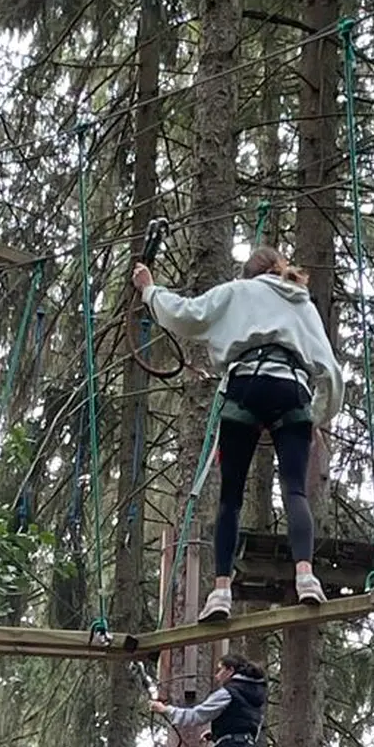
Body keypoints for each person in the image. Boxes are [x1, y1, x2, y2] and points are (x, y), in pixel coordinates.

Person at [131, 247, 344, 623]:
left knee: (230, 496)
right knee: (294, 490)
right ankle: (306, 576)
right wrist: (316, 415)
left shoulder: (237, 292)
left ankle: (221, 591)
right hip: (291, 389)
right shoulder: (302, 303)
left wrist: (150, 290)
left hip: (245, 386)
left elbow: (186, 314)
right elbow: (328, 367)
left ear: (249, 274)